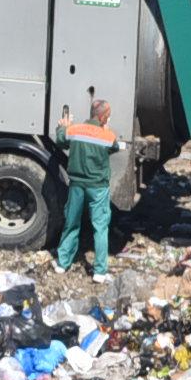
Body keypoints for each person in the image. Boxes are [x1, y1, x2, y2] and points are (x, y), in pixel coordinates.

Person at [53, 97, 118, 277]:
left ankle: (63, 263)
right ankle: (99, 272)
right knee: (100, 227)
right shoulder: (107, 135)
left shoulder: (74, 130)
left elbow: (60, 140)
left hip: (76, 185)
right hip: (98, 187)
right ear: (103, 117)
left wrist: (63, 126)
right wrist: (105, 129)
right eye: (108, 116)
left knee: (71, 223)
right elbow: (113, 147)